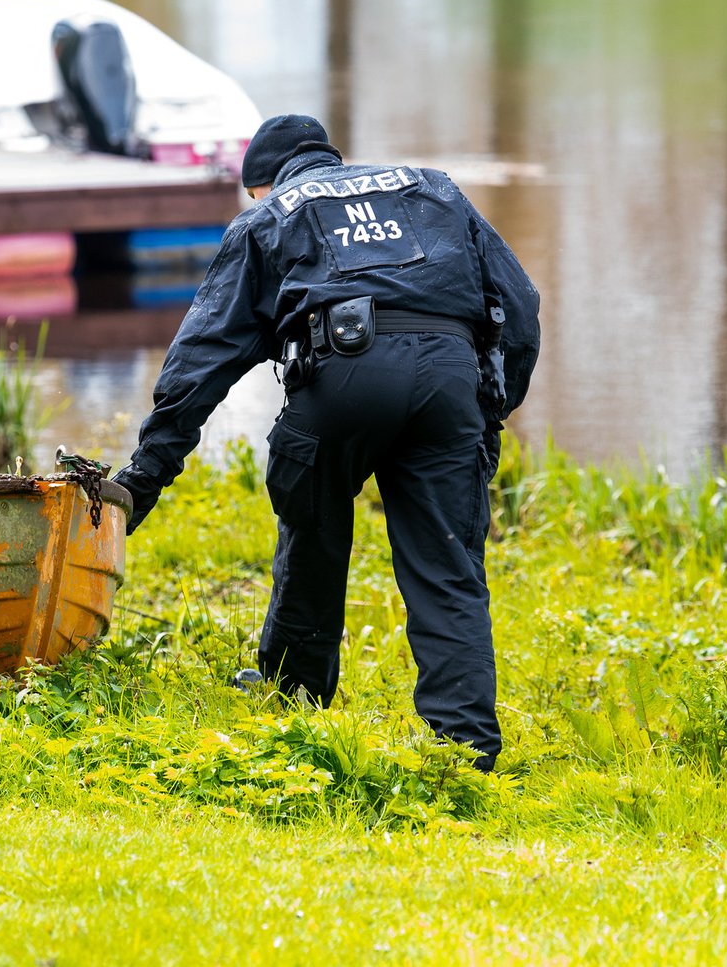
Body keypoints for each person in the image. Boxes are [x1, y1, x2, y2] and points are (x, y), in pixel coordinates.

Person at [112, 114, 541, 771]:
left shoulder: (267, 216)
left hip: (341, 371)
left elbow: (197, 366)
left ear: (259, 185)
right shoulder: (435, 189)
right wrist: (489, 412)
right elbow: (519, 304)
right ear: (332, 158)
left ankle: (295, 690)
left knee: (312, 524)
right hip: (447, 376)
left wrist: (142, 481)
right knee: (448, 563)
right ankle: (464, 749)